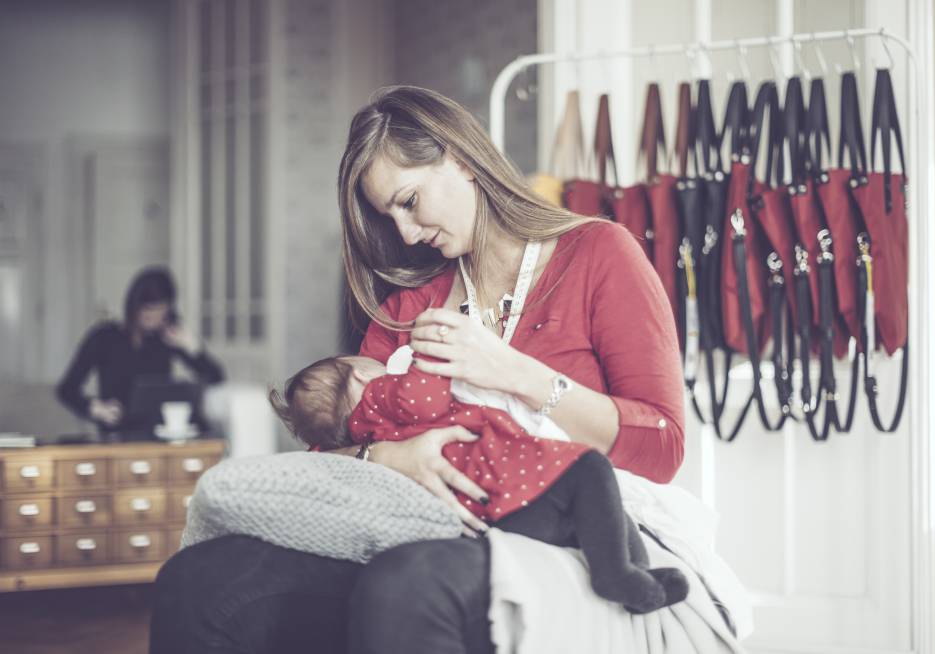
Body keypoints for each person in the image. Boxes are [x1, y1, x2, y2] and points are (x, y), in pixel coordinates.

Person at [150, 85, 684, 653]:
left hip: (559, 528)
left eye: (409, 201)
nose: (404, 233)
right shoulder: (410, 306)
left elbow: (663, 446)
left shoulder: (599, 253)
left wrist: (516, 373)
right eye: (389, 215)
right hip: (421, 530)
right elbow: (328, 453)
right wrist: (386, 456)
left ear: (460, 158)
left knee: (405, 582)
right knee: (199, 579)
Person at [269, 351, 689, 614]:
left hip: (494, 512)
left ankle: (637, 581)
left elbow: (320, 461)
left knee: (597, 512)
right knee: (591, 470)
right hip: (509, 483)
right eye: (368, 365)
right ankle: (617, 574)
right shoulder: (384, 397)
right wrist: (428, 357)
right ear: (361, 379)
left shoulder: (366, 435)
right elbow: (425, 396)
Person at [57, 267, 225, 437]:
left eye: (160, 310)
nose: (153, 316)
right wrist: (95, 408)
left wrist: (193, 347)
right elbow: (66, 389)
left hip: (160, 433)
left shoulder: (166, 338)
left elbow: (216, 377)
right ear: (134, 307)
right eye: (147, 310)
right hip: (118, 434)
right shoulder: (104, 337)